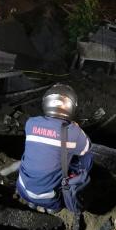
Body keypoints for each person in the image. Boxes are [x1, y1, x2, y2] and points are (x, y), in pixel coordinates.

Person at [16, 84, 93, 220]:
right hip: (49, 198)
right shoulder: (74, 132)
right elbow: (87, 148)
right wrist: (76, 128)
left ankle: (33, 202)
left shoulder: (31, 123)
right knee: (87, 156)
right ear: (71, 106)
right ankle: (53, 209)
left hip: (22, 187)